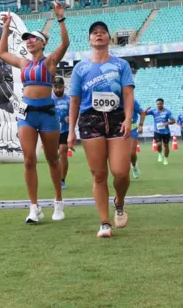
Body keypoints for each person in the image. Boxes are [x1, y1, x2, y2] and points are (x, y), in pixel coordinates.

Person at [0, 2, 69, 223]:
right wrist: (7, 28)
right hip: (27, 115)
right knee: (29, 160)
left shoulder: (50, 61)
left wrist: (60, 19)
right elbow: (1, 53)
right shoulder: (23, 62)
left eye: (32, 38)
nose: (28, 41)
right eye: (26, 38)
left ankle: (58, 202)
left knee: (52, 159)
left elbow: (65, 43)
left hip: (47, 114)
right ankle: (34, 207)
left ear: (43, 43)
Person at [68, 21, 134, 238]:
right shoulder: (81, 68)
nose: (99, 36)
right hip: (90, 120)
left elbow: (127, 94)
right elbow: (75, 101)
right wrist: (70, 131)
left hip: (116, 118)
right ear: (89, 39)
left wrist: (127, 118)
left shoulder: (121, 65)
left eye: (103, 33)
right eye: (94, 33)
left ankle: (120, 201)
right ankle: (105, 223)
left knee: (121, 171)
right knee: (98, 174)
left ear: (108, 38)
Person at [53, 76, 71, 189]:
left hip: (64, 130)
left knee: (63, 153)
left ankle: (62, 179)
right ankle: (55, 177)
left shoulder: (68, 100)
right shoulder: (49, 99)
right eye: (56, 87)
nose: (58, 89)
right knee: (53, 156)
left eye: (60, 87)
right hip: (51, 131)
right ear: (53, 88)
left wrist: (71, 118)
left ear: (63, 87)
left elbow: (74, 113)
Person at [145, 99, 175, 165]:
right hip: (157, 131)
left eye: (160, 104)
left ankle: (166, 159)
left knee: (166, 146)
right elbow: (143, 114)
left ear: (163, 104)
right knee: (158, 144)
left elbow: (173, 121)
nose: (158, 105)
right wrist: (146, 109)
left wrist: (167, 123)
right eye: (157, 104)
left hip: (166, 132)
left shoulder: (167, 112)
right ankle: (160, 153)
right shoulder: (153, 111)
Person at [130, 98, 146, 178]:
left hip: (132, 129)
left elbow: (142, 113)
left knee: (132, 153)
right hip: (118, 129)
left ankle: (134, 167)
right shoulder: (114, 99)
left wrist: (140, 125)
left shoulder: (132, 101)